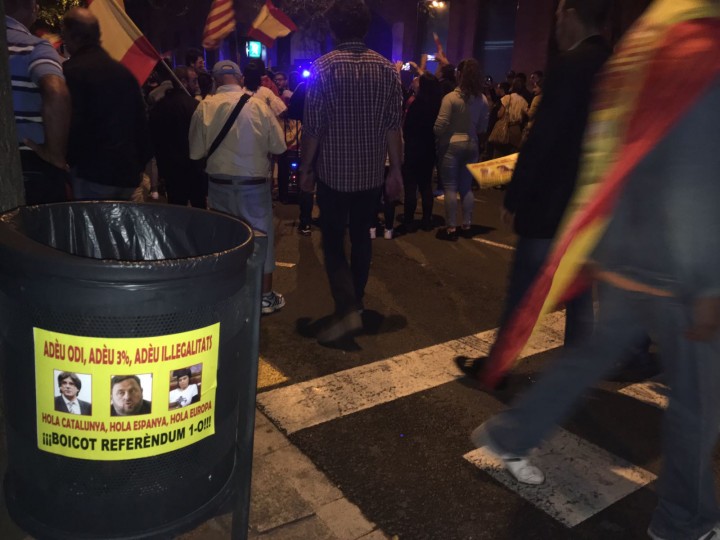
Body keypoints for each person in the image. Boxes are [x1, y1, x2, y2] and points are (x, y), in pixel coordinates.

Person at [471, 2, 720, 538]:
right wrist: (709, 281)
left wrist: (602, 235)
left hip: (628, 243)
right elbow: (699, 175)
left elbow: (613, 148)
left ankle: (514, 431)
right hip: (678, 265)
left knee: (589, 357)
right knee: (697, 402)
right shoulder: (704, 49)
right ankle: (684, 520)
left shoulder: (645, 48)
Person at [457, 0, 610, 383]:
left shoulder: (570, 66)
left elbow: (543, 140)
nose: (556, 21)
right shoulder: (613, 64)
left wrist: (515, 196)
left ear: (572, 12)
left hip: (551, 203)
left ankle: (498, 367)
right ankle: (575, 374)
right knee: (577, 296)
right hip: (592, 205)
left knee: (523, 293)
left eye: (559, 13)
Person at [299, 0, 403, 344]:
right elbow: (393, 128)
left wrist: (308, 168)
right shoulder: (387, 70)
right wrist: (395, 171)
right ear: (366, 28)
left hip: (333, 173)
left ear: (333, 29)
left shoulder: (323, 68)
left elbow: (313, 128)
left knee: (332, 239)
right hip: (371, 174)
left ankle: (346, 306)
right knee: (362, 236)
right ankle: (355, 300)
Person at [189, 60, 287, 315]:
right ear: (240, 78)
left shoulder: (204, 107)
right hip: (253, 185)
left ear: (215, 80)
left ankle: (227, 292)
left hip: (219, 183)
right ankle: (264, 297)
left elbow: (196, 152)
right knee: (261, 239)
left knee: (225, 238)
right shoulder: (257, 106)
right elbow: (279, 146)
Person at [62, 8, 152, 201]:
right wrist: (139, 164)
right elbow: (140, 122)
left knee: (94, 228)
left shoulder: (72, 72)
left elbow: (73, 124)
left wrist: (69, 159)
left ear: (73, 36)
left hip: (92, 172)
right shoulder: (124, 74)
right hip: (126, 172)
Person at [6, 0, 71, 205]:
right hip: (28, 163)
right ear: (31, 8)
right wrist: (55, 154)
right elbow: (56, 93)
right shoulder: (34, 47)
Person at [433, 58, 488, 241]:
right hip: (471, 144)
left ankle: (451, 227)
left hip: (451, 144)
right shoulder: (482, 99)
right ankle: (467, 223)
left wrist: (437, 134)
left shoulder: (450, 98)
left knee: (450, 187)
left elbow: (440, 125)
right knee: (466, 188)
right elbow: (482, 127)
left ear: (459, 75)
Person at [149, 66, 206, 208]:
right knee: (200, 212)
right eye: (194, 81)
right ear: (183, 82)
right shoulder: (195, 106)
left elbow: (154, 139)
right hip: (194, 169)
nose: (197, 85)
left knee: (176, 212)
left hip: (171, 170)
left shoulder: (159, 107)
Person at [400, 72, 443, 232]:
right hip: (429, 149)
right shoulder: (437, 106)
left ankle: (409, 220)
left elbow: (407, 128)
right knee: (426, 185)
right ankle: (426, 219)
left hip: (413, 148)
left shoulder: (416, 104)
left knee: (411, 186)